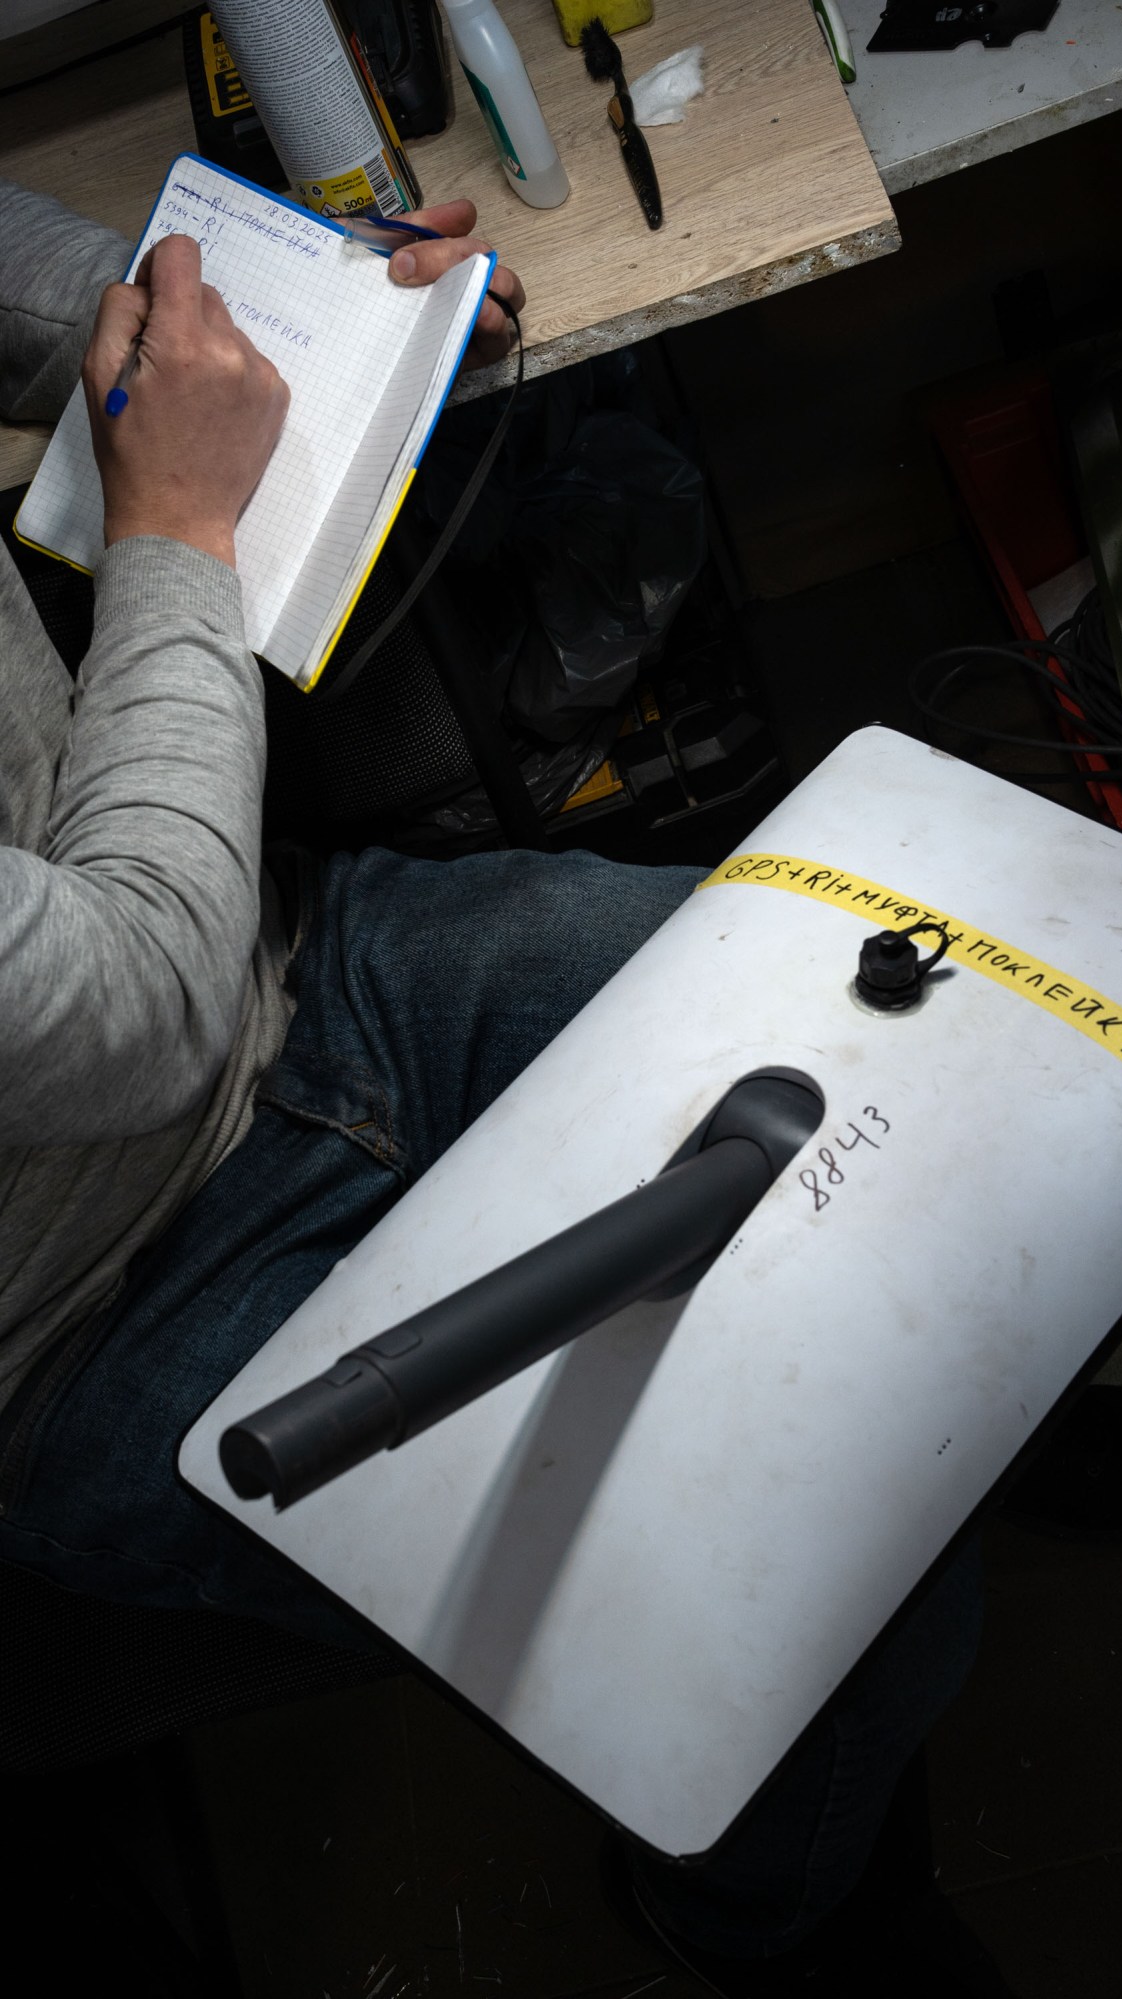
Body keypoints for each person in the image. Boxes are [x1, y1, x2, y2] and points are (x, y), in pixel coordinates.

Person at [0, 183, 1010, 1997]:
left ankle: (982, 1420)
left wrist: (261, 321)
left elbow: (41, 287)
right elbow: (124, 998)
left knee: (953, 1103)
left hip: (288, 973)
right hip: (85, 1319)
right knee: (796, 1578)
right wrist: (178, 527)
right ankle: (777, 1929)